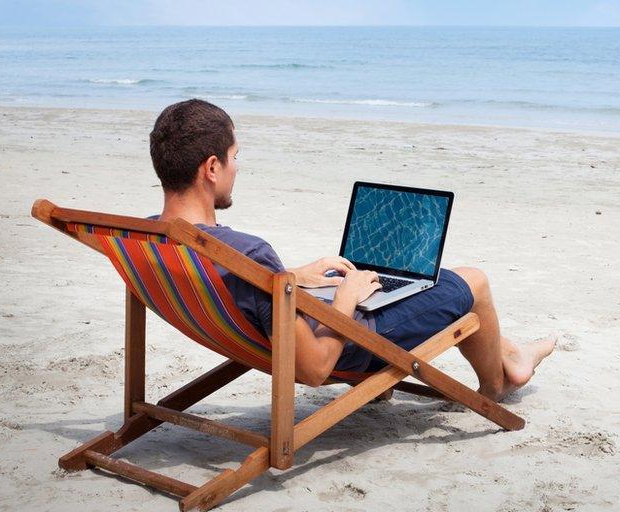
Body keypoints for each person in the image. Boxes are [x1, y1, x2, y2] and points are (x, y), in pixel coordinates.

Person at [149, 99, 555, 401]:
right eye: (236, 157)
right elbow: (314, 368)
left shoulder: (144, 239)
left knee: (392, 283)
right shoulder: (248, 252)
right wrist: (345, 298)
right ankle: (496, 385)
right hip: (355, 343)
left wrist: (290, 278)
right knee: (473, 282)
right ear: (212, 168)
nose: (238, 167)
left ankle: (513, 351)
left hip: (282, 323)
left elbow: (243, 289)